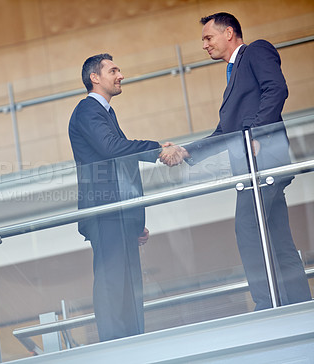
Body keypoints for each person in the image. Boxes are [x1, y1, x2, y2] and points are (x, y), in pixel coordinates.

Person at [163, 12, 312, 310]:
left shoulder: (255, 51)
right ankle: (299, 304)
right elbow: (225, 132)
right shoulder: (232, 75)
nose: (204, 45)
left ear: (229, 33)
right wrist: (187, 151)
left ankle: (266, 304)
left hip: (262, 164)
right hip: (253, 167)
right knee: (278, 238)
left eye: (208, 37)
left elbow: (277, 89)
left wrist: (256, 133)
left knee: (247, 231)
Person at [68, 53, 180, 341]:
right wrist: (156, 149)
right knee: (112, 283)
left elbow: (117, 161)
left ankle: (133, 344)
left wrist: (132, 221)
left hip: (118, 215)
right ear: (95, 77)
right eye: (113, 70)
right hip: (105, 214)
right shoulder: (88, 110)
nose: (121, 75)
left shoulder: (105, 113)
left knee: (129, 285)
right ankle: (117, 350)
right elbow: (111, 148)